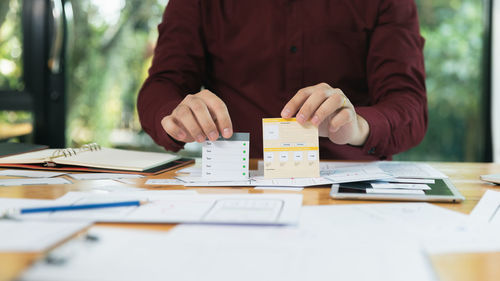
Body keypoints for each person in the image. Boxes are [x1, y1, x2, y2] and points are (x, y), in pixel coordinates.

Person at [137, 0, 427, 160]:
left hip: (351, 187)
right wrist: (175, 115)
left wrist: (358, 126)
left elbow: (408, 103)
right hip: (235, 183)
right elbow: (163, 86)